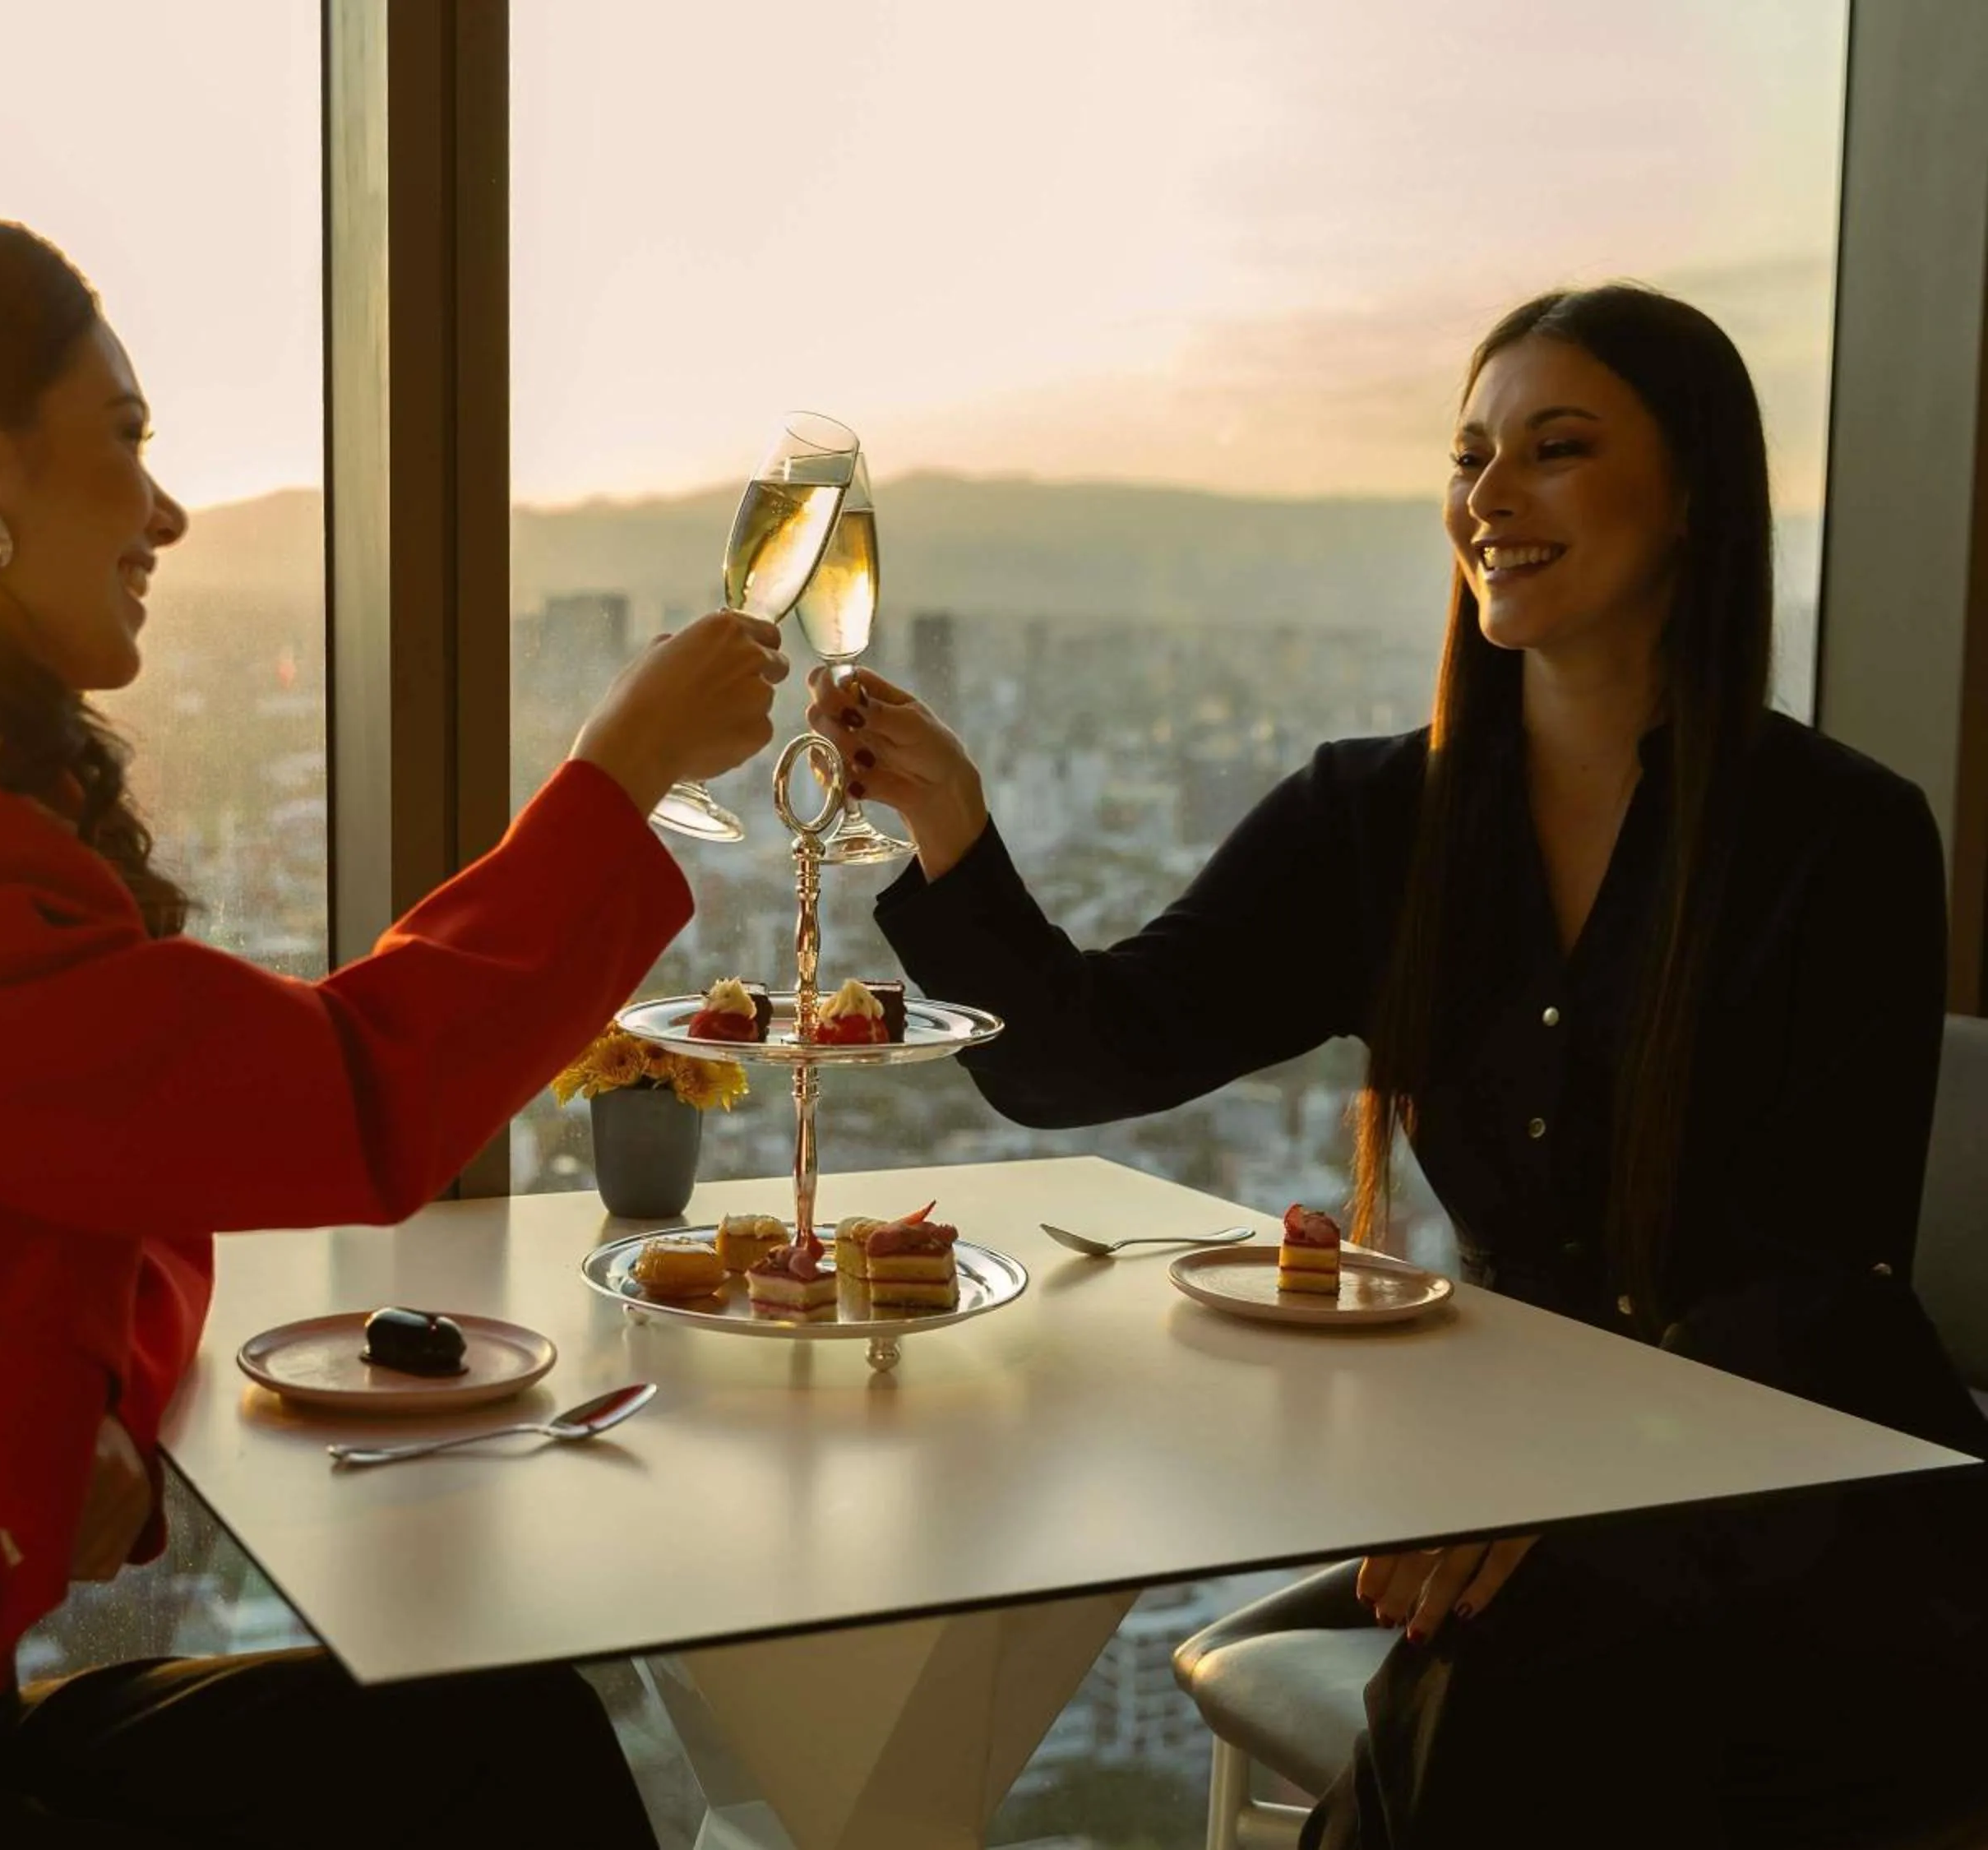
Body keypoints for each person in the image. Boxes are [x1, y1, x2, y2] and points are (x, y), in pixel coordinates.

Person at [0, 206, 787, 1846]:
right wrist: (620, 779)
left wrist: (101, 1411)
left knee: (494, 1743)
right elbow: (342, 1099)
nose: (170, 511)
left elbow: (143, 1176)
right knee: (489, 1768)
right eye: (122, 437)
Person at [807, 284, 1988, 1848]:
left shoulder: (1843, 838)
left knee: (1529, 1678)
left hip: (1796, 1482)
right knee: (1515, 1670)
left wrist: (1560, 1480)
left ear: (1695, 488)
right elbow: (1087, 1054)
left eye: (1554, 449)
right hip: (1523, 1496)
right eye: (1470, 455)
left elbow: (1813, 1280)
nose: (1489, 497)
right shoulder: (1377, 823)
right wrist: (949, 822)